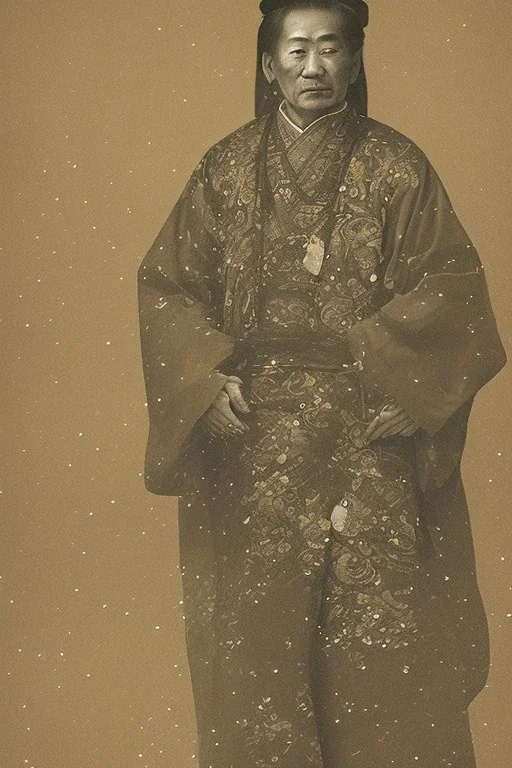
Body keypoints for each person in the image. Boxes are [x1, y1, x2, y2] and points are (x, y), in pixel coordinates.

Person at [136, 1, 507, 766]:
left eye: (331, 49)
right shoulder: (226, 170)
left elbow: (453, 284)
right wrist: (205, 380)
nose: (315, 67)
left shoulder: (397, 168)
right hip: (256, 448)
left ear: (355, 60)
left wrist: (414, 392)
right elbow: (169, 288)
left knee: (383, 660)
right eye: (297, 50)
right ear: (268, 64)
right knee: (257, 661)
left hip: (365, 444)